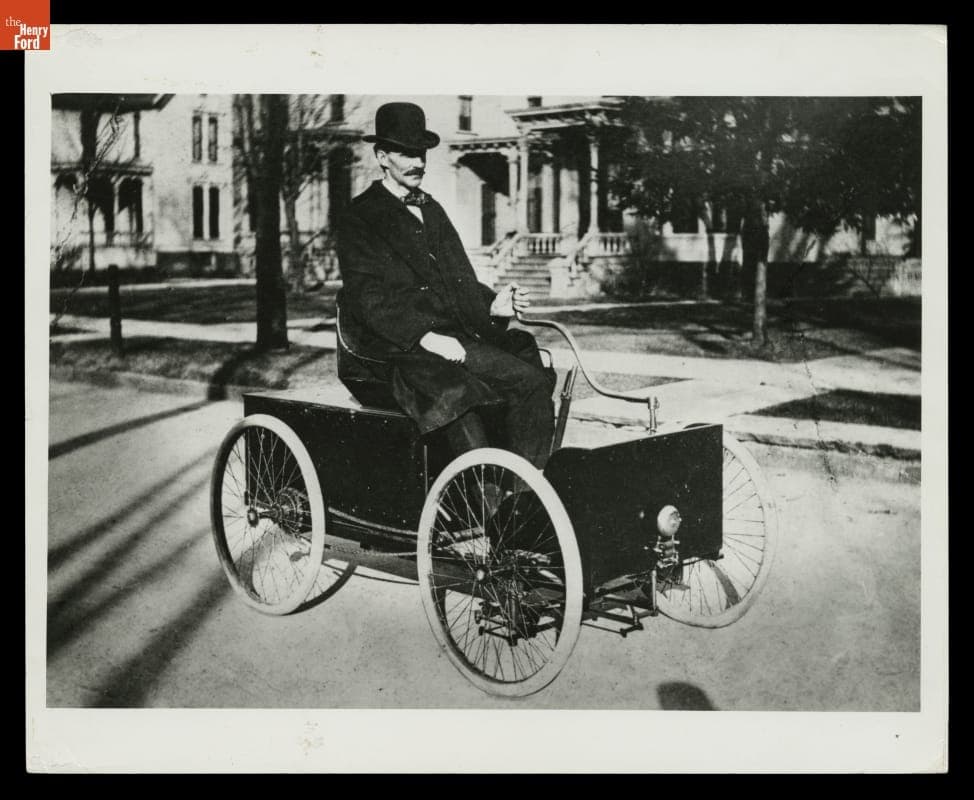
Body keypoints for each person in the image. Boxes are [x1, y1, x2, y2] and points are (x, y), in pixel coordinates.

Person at [335, 102, 556, 469]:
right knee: (458, 395)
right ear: (382, 157)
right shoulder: (359, 216)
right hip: (397, 348)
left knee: (530, 376)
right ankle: (482, 494)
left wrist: (492, 305)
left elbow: (458, 279)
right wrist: (425, 336)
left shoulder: (431, 209)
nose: (418, 163)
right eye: (406, 153)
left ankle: (524, 493)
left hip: (451, 338)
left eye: (421, 153)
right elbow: (367, 298)